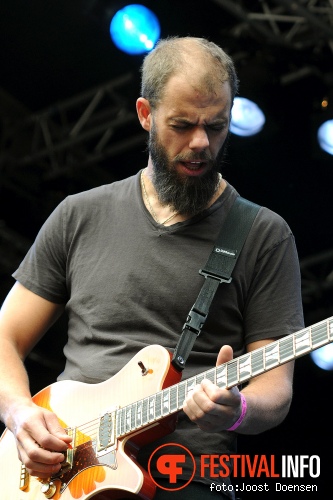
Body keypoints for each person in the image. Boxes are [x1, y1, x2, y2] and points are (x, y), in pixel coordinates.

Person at [0, 36, 303, 500]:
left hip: (187, 479)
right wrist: (19, 413)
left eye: (217, 126)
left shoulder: (264, 233)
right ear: (146, 113)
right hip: (64, 474)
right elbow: (5, 336)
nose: (201, 143)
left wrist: (238, 409)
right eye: (182, 125)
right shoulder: (79, 214)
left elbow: (276, 389)